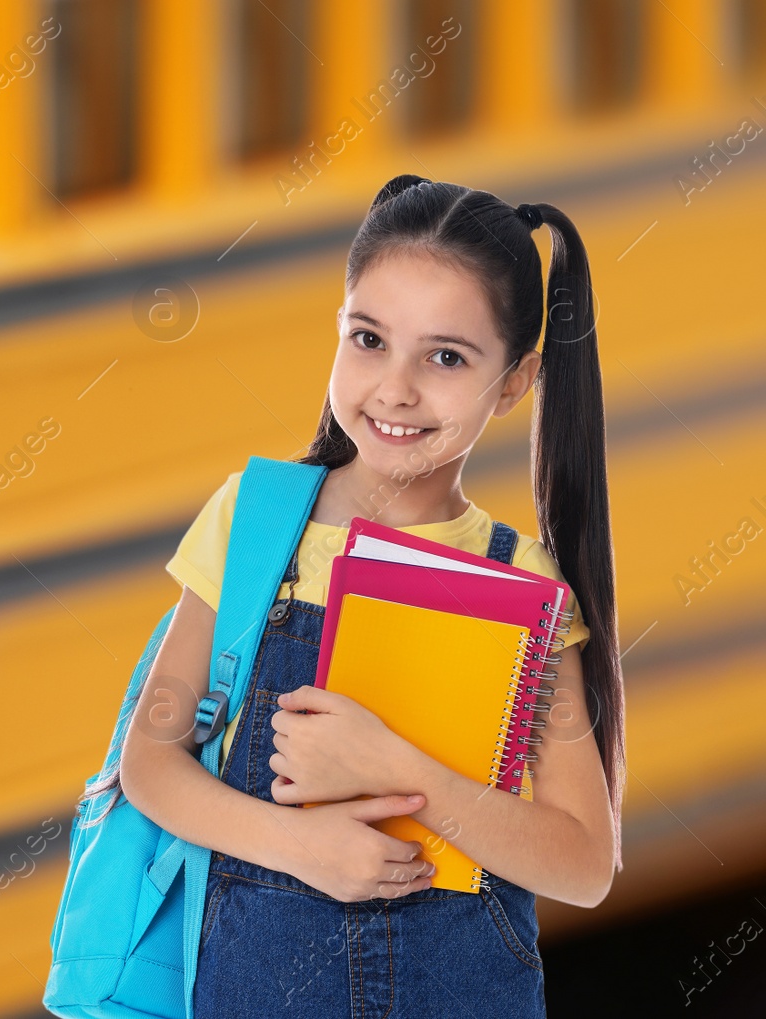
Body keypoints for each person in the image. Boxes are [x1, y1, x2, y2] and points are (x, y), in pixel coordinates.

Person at [109, 174, 624, 1017]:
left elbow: (583, 861)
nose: (395, 387)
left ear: (515, 382)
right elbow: (151, 761)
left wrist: (400, 769)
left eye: (447, 356)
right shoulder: (255, 523)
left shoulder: (524, 583)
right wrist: (299, 845)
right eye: (369, 338)